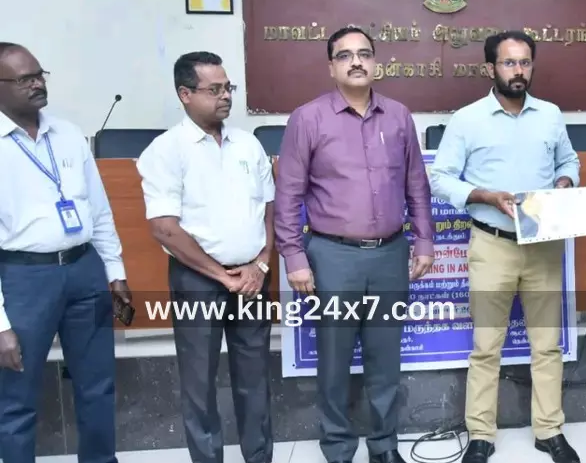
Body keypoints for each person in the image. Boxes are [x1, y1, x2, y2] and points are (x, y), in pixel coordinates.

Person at [275, 26, 435, 463]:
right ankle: (338, 446)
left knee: (385, 358)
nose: (356, 62)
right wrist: (293, 255)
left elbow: (416, 185)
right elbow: (288, 194)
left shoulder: (399, 116)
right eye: (345, 55)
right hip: (332, 257)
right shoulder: (308, 118)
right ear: (331, 66)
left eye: (364, 53)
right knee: (334, 359)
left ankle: (384, 446)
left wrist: (424, 240)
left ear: (376, 62)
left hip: (390, 254)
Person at [428, 30, 581, 463]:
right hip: (492, 244)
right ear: (490, 68)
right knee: (486, 346)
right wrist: (485, 196)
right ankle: (481, 435)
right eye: (509, 62)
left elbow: (568, 160)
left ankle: (549, 430)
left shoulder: (550, 115)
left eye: (525, 62)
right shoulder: (467, 119)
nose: (518, 71)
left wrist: (564, 181)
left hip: (543, 243)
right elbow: (440, 178)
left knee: (546, 345)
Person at [136, 51, 275, 463]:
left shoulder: (248, 144)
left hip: (252, 278)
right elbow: (164, 228)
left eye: (228, 87)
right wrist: (221, 275)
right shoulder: (166, 150)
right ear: (185, 94)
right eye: (214, 89)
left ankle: (259, 457)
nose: (225, 96)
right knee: (199, 382)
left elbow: (269, 211)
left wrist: (260, 263)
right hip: (198, 281)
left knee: (255, 377)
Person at [0, 42, 132, 463]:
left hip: (84, 270)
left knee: (98, 386)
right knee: (16, 396)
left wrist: (115, 272)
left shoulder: (69, 134)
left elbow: (99, 210)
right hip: (23, 279)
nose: (37, 84)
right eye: (24, 79)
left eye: (39, 74)